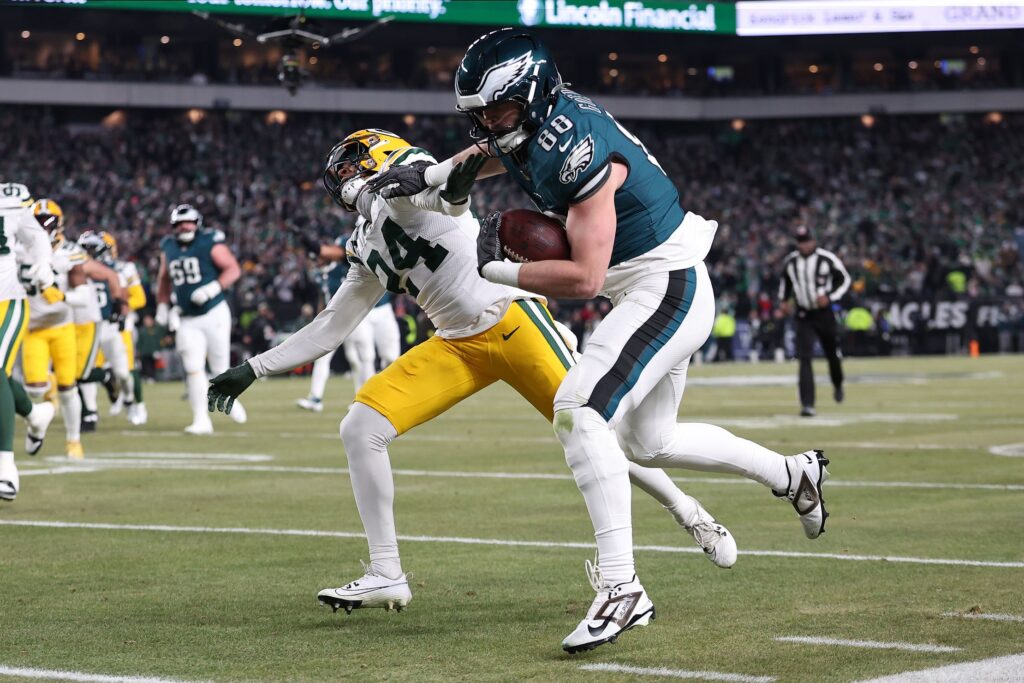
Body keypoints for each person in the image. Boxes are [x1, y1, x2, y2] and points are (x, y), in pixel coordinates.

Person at [366, 29, 829, 653]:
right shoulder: (536, 126)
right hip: (647, 283)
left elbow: (583, 277)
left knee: (580, 411)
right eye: (475, 112)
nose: (484, 122)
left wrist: (496, 270)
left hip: (664, 285)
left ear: (528, 96)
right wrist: (438, 173)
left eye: (494, 109)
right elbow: (491, 157)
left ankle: (622, 588)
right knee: (650, 440)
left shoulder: (577, 151)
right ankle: (791, 473)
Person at [207, 129, 737, 621]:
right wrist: (253, 368)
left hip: (510, 319)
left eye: (350, 167)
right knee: (360, 427)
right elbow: (330, 327)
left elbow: (445, 192)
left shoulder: (405, 178)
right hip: (455, 343)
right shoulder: (365, 242)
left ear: (377, 155)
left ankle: (689, 512)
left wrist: (448, 177)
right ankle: (386, 573)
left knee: (595, 432)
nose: (343, 180)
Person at [22, 201, 123, 457]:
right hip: (32, 327)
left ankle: (73, 441)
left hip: (62, 325)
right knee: (34, 387)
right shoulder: (18, 250)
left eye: (48, 221)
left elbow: (82, 295)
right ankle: (38, 421)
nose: (43, 226)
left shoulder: (68, 253)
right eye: (38, 220)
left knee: (68, 387)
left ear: (59, 224)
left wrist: (62, 297)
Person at [156, 203, 247, 434]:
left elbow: (233, 269)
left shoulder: (209, 241)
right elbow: (164, 278)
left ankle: (230, 399)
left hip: (214, 312)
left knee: (219, 368)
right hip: (187, 318)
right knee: (193, 367)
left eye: (189, 222)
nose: (185, 226)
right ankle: (201, 420)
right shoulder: (168, 246)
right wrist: (163, 305)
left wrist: (211, 289)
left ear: (197, 223)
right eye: (180, 223)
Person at [294, 229, 401, 413]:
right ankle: (319, 397)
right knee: (336, 357)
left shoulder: (342, 267)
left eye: (317, 258)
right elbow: (324, 299)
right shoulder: (320, 274)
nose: (316, 262)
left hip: (359, 312)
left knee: (364, 357)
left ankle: (369, 396)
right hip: (336, 319)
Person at [0, 183, 57, 498]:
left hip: (5, 300)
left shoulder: (9, 197)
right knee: (2, 376)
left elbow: (36, 233)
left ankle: (5, 467)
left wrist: (43, 262)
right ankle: (35, 414)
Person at [778, 225, 851, 416]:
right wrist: (784, 302)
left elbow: (844, 279)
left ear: (814, 241)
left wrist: (830, 296)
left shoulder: (827, 259)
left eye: (806, 241)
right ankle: (807, 404)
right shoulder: (791, 262)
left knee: (831, 354)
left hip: (824, 313)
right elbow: (785, 284)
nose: (803, 245)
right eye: (800, 242)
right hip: (803, 314)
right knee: (804, 358)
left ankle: (837, 383)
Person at [76, 230, 136, 427]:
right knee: (86, 369)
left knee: (123, 373)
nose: (87, 253)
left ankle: (128, 399)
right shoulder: (75, 269)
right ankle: (91, 412)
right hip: (86, 326)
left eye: (91, 249)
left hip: (109, 327)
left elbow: (124, 300)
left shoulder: (114, 271)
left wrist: (121, 314)